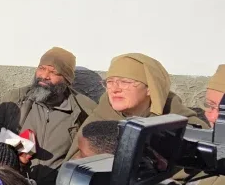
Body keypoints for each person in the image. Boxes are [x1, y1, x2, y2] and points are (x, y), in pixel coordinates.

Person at [0, 47, 96, 185]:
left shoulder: (83, 110)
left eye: (54, 72)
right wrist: (13, 152)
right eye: (42, 68)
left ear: (67, 79)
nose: (45, 76)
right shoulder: (15, 98)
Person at [67, 52, 207, 159]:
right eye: (110, 82)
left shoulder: (179, 120)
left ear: (150, 89)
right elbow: (73, 163)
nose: (114, 89)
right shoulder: (102, 114)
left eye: (125, 82)